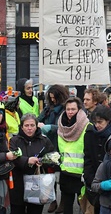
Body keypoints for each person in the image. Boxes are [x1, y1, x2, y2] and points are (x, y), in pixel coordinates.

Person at [9, 113, 55, 214]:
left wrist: (43, 162)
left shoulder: (44, 140)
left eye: (32, 125)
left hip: (37, 185)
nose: (29, 128)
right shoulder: (14, 141)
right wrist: (26, 160)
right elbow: (12, 158)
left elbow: (53, 157)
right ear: (22, 127)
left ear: (36, 126)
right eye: (26, 125)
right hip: (18, 185)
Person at [83, 105, 111, 213]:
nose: (97, 125)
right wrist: (91, 180)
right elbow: (87, 158)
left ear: (108, 121)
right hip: (96, 182)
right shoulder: (90, 134)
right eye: (95, 122)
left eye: (100, 122)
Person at [38, 84, 69, 213]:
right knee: (49, 175)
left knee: (62, 176)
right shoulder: (47, 109)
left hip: (60, 145)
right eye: (50, 98)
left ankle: (62, 202)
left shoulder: (65, 110)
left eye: (54, 98)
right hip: (47, 146)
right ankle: (53, 200)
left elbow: (64, 128)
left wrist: (48, 127)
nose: (52, 100)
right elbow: (38, 120)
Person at [57, 97, 90, 214]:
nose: (70, 112)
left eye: (73, 109)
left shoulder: (87, 126)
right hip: (65, 171)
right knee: (67, 205)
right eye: (68, 109)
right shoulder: (61, 125)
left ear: (79, 110)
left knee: (82, 205)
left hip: (80, 173)